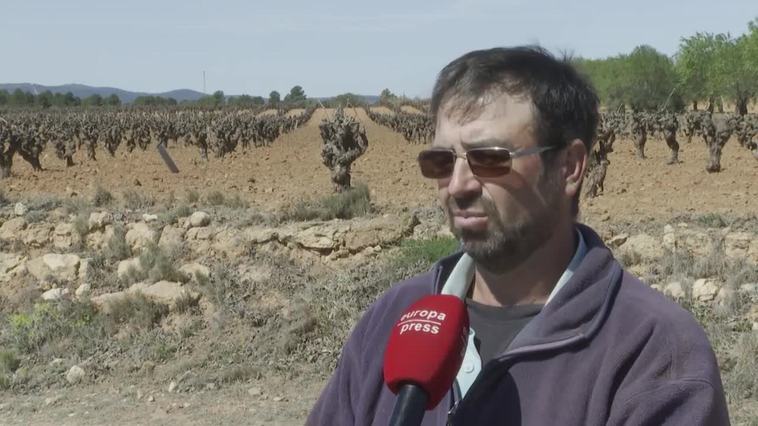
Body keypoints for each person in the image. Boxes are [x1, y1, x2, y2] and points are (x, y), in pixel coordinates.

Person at [307, 46, 729, 425]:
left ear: (569, 167)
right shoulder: (393, 317)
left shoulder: (652, 352)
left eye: (489, 159)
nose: (458, 185)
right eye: (440, 160)